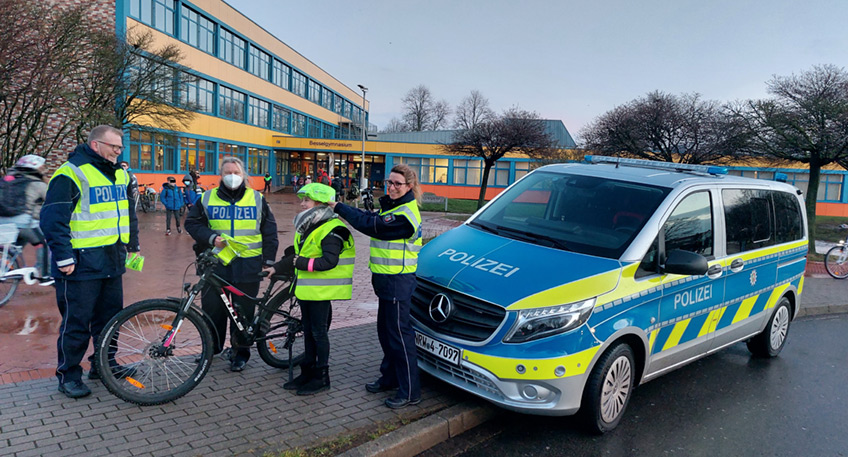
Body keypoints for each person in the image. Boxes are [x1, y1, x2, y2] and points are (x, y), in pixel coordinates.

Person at [40, 125, 140, 399]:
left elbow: (127, 213)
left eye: (120, 147)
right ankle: (69, 375)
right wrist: (63, 257)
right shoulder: (71, 172)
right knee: (76, 323)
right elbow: (52, 220)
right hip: (79, 265)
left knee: (110, 319)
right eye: (114, 147)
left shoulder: (120, 173)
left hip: (112, 261)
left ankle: (104, 364)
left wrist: (132, 245)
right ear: (96, 145)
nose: (119, 152)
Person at [328, 163, 422, 409]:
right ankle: (389, 378)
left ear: (409, 186)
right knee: (386, 333)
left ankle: (410, 391)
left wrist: (339, 207)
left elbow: (372, 226)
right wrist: (343, 209)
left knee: (400, 337)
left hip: (397, 283)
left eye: (397, 184)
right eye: (389, 183)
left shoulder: (405, 215)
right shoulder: (394, 207)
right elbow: (371, 217)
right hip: (386, 282)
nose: (390, 187)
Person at [185, 157, 278, 372]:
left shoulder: (257, 198)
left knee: (243, 311)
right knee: (213, 310)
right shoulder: (207, 198)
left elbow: (270, 231)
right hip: (215, 264)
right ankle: (213, 348)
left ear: (243, 175)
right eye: (228, 172)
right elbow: (192, 223)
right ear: (221, 175)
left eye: (236, 172)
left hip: (248, 266)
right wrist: (210, 238)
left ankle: (240, 353)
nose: (232, 176)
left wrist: (269, 260)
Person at [264, 183, 355, 395]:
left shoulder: (334, 229)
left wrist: (301, 264)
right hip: (306, 291)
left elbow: (328, 261)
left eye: (306, 200)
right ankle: (307, 372)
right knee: (308, 333)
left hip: (321, 293)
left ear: (321, 204)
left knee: (318, 333)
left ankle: (322, 377)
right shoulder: (309, 226)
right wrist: (275, 268)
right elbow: (294, 255)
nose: (302, 204)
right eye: (302, 199)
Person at [0, 155, 53, 284]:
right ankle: (46, 276)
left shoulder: (5, 181)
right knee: (42, 243)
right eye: (41, 167)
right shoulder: (37, 184)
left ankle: (8, 265)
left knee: (16, 245)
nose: (43, 170)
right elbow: (53, 200)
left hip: (3, 223)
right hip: (23, 224)